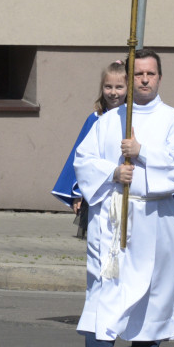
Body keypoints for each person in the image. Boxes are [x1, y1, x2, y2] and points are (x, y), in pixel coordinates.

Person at [73, 49, 174, 347]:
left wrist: (142, 153)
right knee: (108, 280)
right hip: (115, 216)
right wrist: (113, 173)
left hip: (154, 217)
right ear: (129, 79)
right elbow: (83, 161)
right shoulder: (110, 120)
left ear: (159, 77)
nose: (144, 79)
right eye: (138, 74)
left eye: (150, 74)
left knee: (152, 285)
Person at [50, 61, 127, 238]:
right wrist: (78, 192)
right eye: (108, 86)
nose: (113, 92)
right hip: (98, 189)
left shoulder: (134, 119)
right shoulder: (95, 119)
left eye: (119, 87)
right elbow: (80, 158)